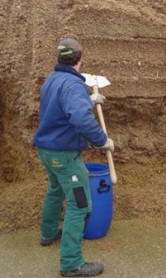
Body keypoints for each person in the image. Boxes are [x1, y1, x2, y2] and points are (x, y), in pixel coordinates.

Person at [33, 38, 114, 277]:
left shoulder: (52, 79)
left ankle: (48, 233)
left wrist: (88, 101)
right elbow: (80, 119)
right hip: (64, 155)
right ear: (80, 59)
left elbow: (59, 109)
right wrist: (102, 141)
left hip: (46, 151)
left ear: (59, 58)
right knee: (80, 205)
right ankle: (71, 263)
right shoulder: (73, 85)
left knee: (55, 190)